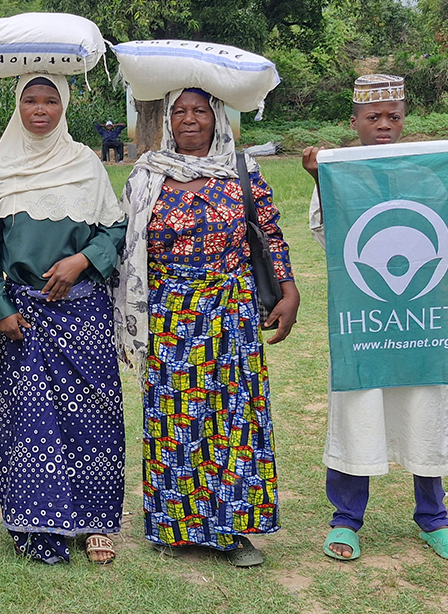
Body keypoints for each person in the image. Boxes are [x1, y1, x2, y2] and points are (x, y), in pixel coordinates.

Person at [301, 74, 448, 564]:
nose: (383, 125)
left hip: (421, 320)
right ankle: (346, 518)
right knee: (357, 410)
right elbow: (332, 239)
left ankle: (434, 516)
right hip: (365, 320)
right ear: (354, 122)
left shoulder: (427, 172)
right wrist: (320, 178)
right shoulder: (341, 171)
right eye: (373, 117)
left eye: (393, 117)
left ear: (405, 120)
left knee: (425, 408)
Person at [114, 87, 299, 567]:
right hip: (170, 314)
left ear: (217, 117)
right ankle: (174, 527)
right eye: (179, 111)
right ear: (167, 121)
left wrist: (288, 290)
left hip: (231, 312)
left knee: (233, 417)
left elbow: (270, 233)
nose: (189, 119)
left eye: (199, 110)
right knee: (173, 417)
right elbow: (123, 242)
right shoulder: (148, 173)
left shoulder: (241, 170)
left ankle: (232, 530)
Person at [0, 73, 127, 565]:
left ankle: (96, 522)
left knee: (94, 414)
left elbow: (114, 229)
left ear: (64, 106)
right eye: (30, 100)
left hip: (84, 311)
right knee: (30, 421)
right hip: (24, 318)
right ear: (18, 107)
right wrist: (1, 309)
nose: (40, 110)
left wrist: (81, 261)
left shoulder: (85, 162)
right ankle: (38, 525)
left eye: (50, 100)